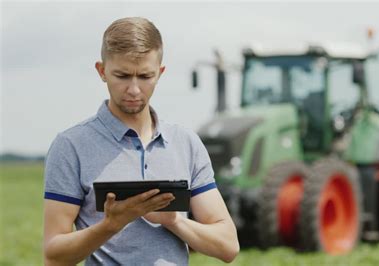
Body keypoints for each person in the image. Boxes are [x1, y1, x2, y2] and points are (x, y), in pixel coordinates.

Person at [43, 17, 239, 265]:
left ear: (160, 73)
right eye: (122, 76)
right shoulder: (71, 146)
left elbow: (228, 246)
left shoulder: (186, 143)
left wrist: (174, 220)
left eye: (145, 76)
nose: (134, 89)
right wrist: (110, 225)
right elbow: (53, 256)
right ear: (102, 71)